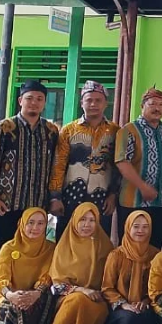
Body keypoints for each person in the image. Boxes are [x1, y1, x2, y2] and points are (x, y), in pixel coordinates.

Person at [0, 80, 60, 312]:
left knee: (35, 255)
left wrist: (53, 198)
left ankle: (28, 299)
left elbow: (55, 166)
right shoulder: (5, 127)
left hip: (36, 207)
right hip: (7, 204)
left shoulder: (51, 131)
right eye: (29, 98)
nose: (34, 103)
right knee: (0, 251)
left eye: (39, 99)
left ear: (44, 103)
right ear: (20, 100)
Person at [91, 210, 161, 324]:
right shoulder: (116, 255)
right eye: (136, 226)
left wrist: (145, 301)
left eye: (145, 227)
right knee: (129, 319)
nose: (141, 231)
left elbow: (156, 286)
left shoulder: (156, 255)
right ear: (128, 228)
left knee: (147, 318)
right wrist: (124, 304)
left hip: (144, 305)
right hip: (118, 307)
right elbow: (107, 288)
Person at [49, 80, 119, 239]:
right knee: (67, 242)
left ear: (105, 104)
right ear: (82, 103)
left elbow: (118, 168)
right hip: (70, 197)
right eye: (89, 100)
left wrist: (113, 195)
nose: (93, 104)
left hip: (102, 199)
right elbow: (58, 165)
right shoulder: (69, 130)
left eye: (98, 100)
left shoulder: (115, 131)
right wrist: (55, 197)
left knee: (99, 244)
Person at [0, 207, 56, 324]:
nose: (35, 227)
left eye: (40, 223)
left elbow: (47, 276)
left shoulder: (51, 249)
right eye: (30, 223)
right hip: (6, 296)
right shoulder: (9, 248)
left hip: (35, 295)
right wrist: (11, 295)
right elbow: (0, 280)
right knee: (17, 306)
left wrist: (36, 293)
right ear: (22, 224)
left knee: (47, 300)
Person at [47, 203, 112, 324]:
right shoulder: (64, 246)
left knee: (83, 302)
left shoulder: (104, 245)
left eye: (92, 220)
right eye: (82, 219)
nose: (87, 224)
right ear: (75, 220)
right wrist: (81, 290)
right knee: (77, 300)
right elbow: (56, 285)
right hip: (66, 297)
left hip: (97, 300)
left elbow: (112, 278)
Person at [115, 88, 162, 250]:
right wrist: (143, 187)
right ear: (142, 106)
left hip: (159, 203)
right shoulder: (128, 130)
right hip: (132, 202)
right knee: (130, 249)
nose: (157, 108)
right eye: (152, 104)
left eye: (161, 105)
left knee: (154, 248)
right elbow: (122, 162)